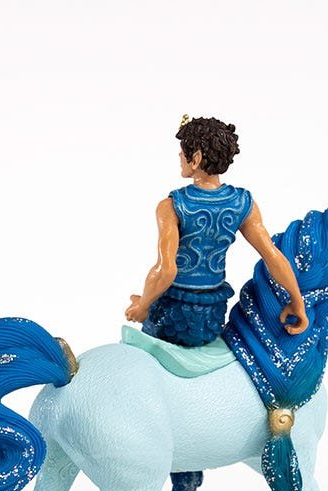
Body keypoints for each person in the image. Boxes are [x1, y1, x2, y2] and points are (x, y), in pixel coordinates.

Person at [125, 116, 310, 347]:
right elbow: (272, 256)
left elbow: (167, 269)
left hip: (173, 314)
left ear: (196, 158)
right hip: (212, 317)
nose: (180, 156)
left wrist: (143, 306)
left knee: (144, 339)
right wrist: (297, 302)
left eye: (183, 151)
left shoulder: (173, 206)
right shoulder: (242, 203)